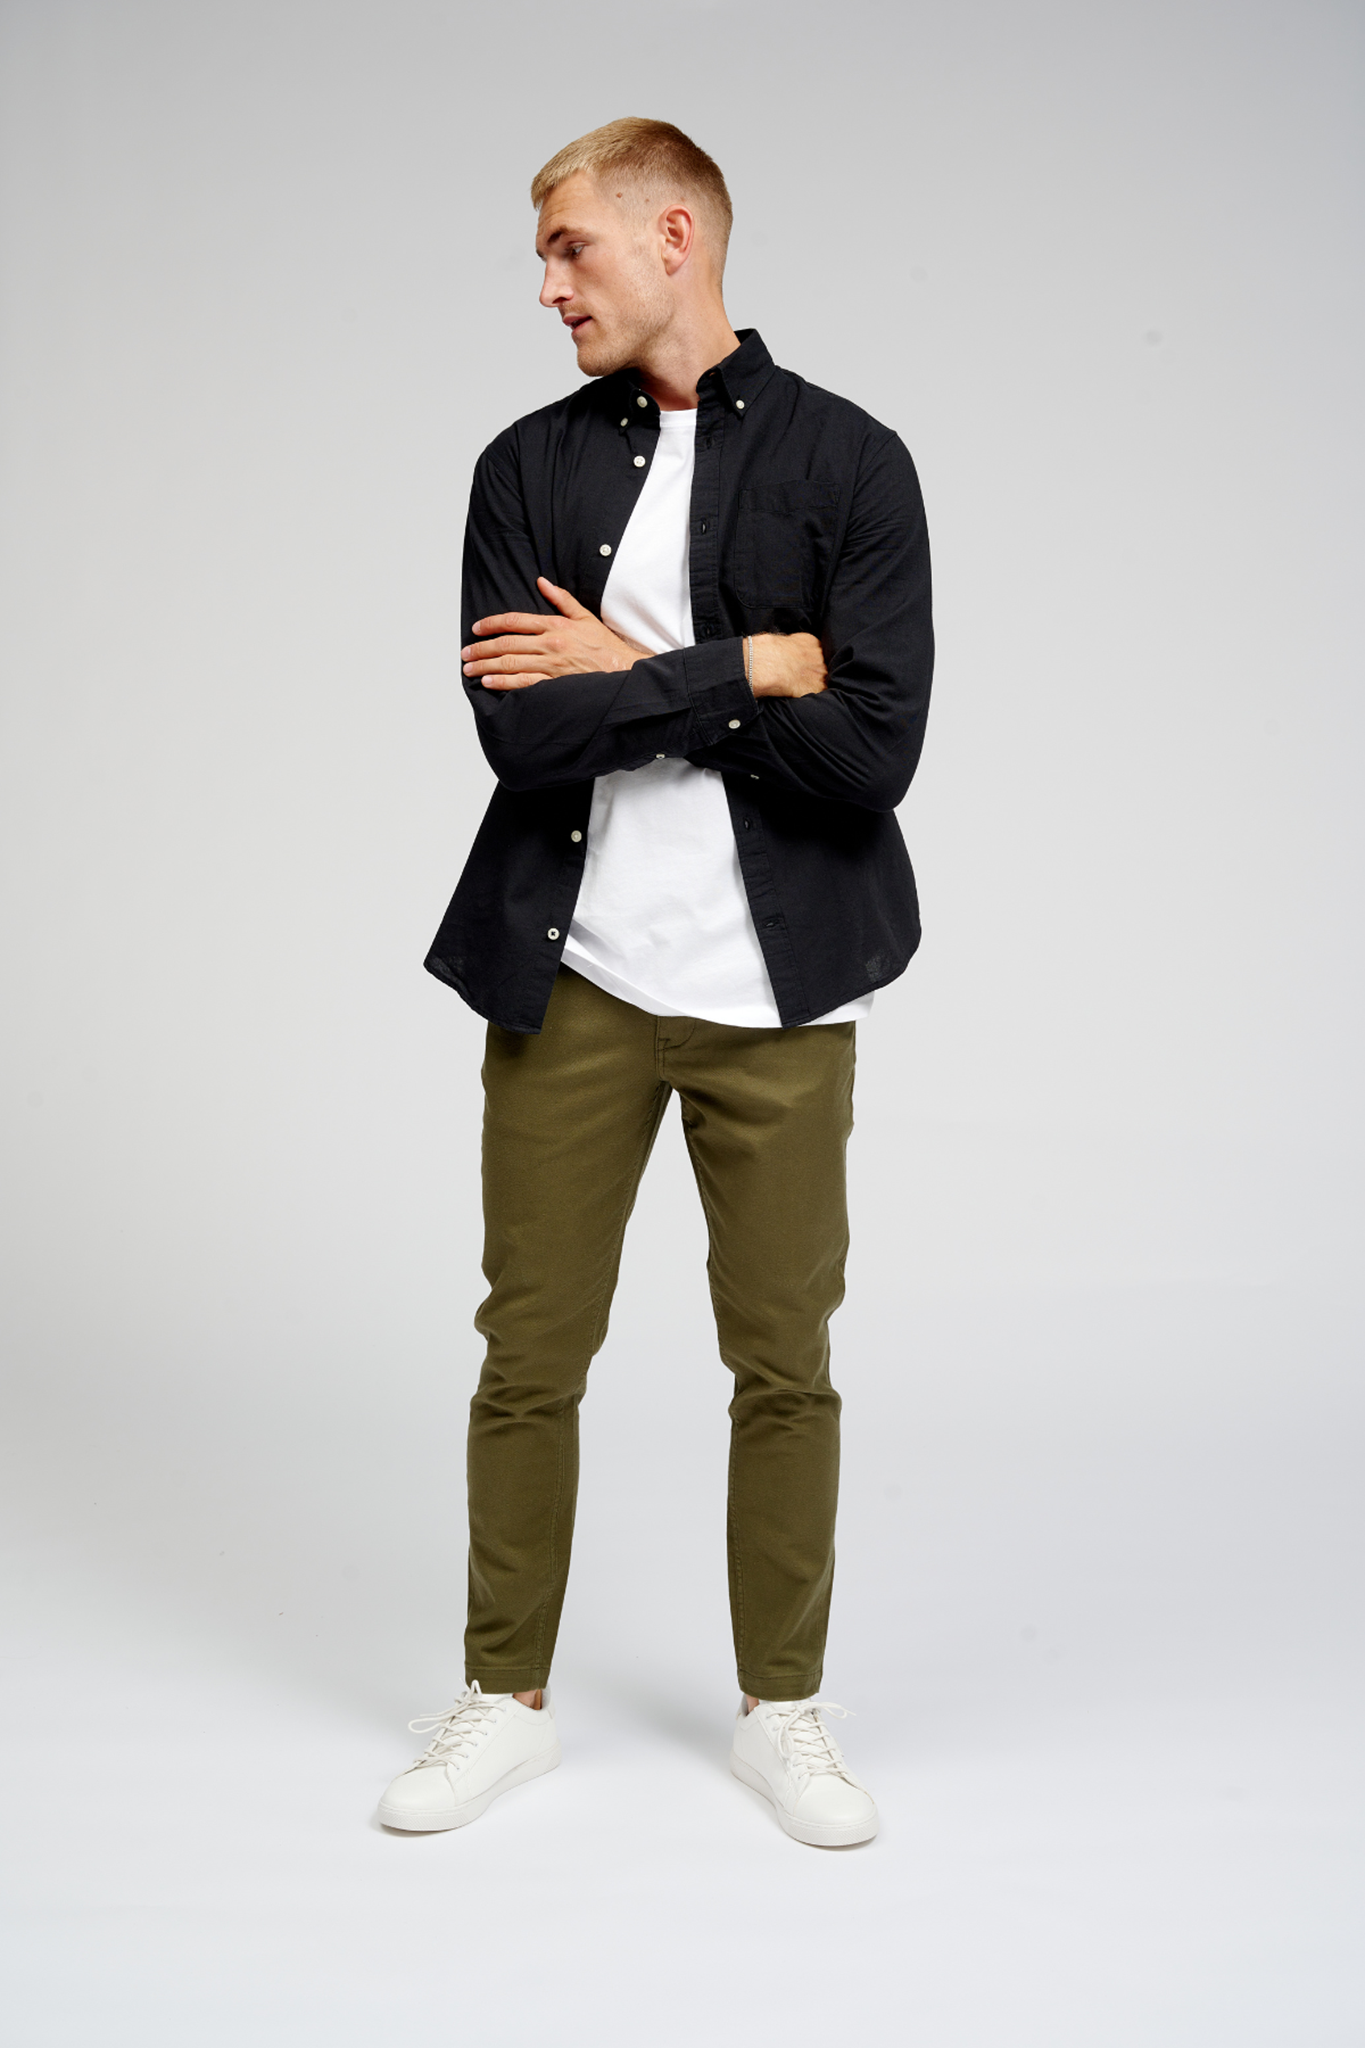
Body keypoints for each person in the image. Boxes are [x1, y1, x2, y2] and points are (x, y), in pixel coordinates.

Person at [378, 118, 933, 1847]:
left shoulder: (853, 462)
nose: (549, 287)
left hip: (785, 991)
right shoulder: (522, 469)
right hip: (579, 978)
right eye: (543, 258)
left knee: (785, 1359)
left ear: (674, 234)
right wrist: (752, 665)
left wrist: (634, 667)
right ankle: (505, 1699)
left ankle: (785, 1711)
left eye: (571, 249)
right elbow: (522, 735)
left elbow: (872, 755)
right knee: (528, 1348)